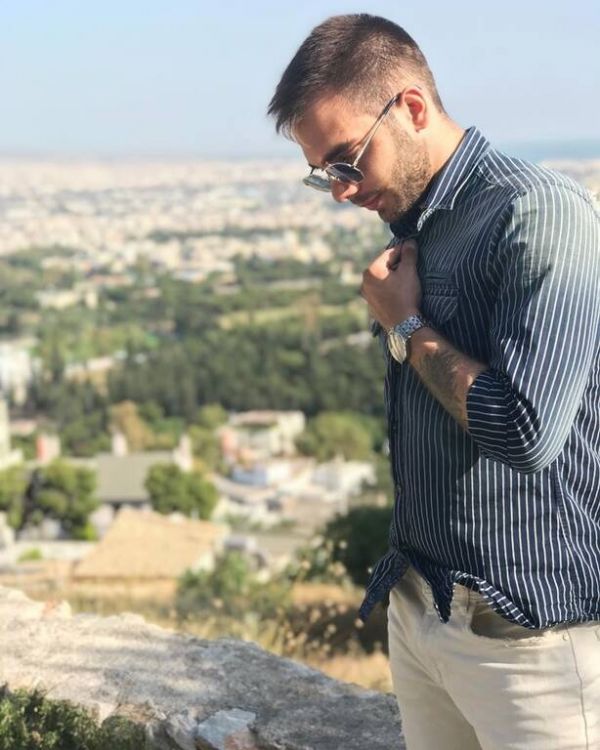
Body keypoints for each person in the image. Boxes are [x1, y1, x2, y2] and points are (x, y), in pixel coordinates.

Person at [267, 13, 600, 750]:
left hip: (532, 645)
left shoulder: (537, 212)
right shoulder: (417, 224)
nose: (340, 191)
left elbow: (526, 432)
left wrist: (406, 326)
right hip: (421, 612)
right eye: (323, 173)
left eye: (347, 160)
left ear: (412, 108)